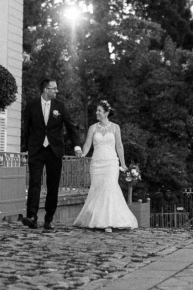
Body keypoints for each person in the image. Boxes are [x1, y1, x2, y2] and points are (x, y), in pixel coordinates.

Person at [20, 78, 82, 231]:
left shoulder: (60, 106)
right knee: (34, 183)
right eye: (53, 88)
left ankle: (49, 219)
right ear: (45, 90)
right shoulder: (32, 105)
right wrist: (23, 149)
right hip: (36, 150)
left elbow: (71, 126)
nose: (56, 91)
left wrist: (77, 146)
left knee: (52, 186)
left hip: (54, 151)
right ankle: (32, 217)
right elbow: (25, 127)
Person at [73, 100, 138, 232]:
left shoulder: (115, 128)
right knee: (97, 189)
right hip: (97, 164)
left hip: (111, 163)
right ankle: (96, 219)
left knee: (109, 188)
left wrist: (123, 164)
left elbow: (119, 146)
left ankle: (108, 222)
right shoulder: (93, 128)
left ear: (106, 113)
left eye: (99, 111)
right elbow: (87, 144)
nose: (97, 113)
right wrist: (83, 154)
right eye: (96, 111)